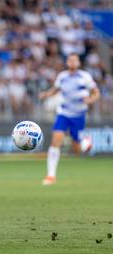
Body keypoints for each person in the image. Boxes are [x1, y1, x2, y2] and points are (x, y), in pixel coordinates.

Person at [39, 53, 100, 186]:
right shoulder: (62, 76)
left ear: (78, 63)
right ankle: (51, 176)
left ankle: (85, 143)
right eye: (70, 60)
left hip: (79, 115)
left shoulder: (85, 77)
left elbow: (96, 93)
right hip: (64, 113)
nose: (72, 62)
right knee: (56, 140)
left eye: (74, 60)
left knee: (76, 149)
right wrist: (46, 94)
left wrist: (90, 100)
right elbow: (55, 90)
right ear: (67, 62)